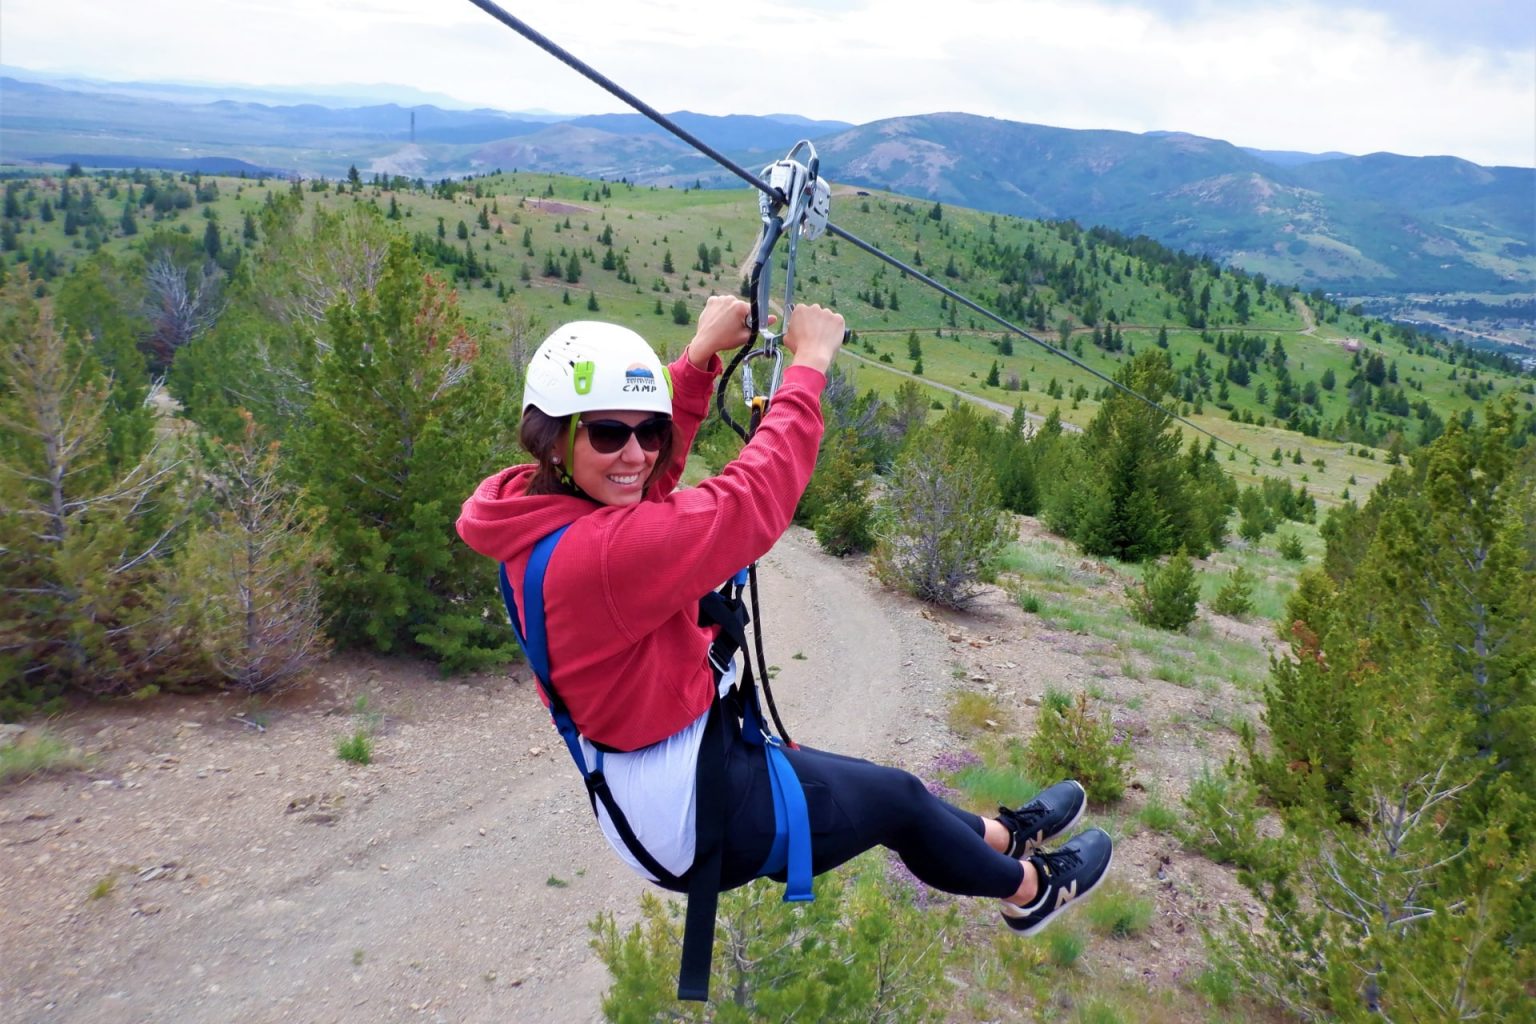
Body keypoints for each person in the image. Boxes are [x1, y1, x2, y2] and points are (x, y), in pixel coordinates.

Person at [456, 295, 1112, 984]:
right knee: (896, 802)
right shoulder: (600, 558)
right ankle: (1031, 892)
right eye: (607, 433)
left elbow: (640, 482)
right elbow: (751, 500)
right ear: (552, 437)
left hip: (665, 768)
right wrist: (810, 366)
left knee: (901, 792)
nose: (637, 453)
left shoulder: (536, 510)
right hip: (687, 811)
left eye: (651, 431)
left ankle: (1005, 838)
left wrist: (696, 362)